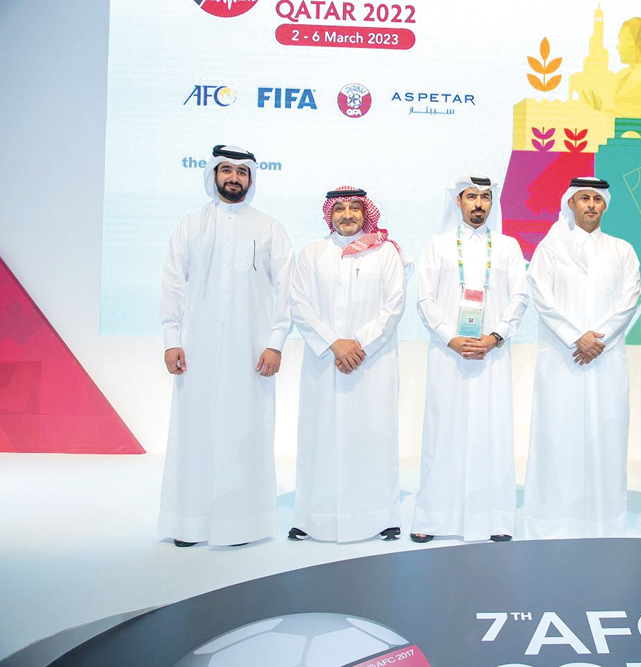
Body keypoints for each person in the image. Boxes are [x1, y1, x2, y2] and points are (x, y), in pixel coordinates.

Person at [159, 145, 293, 547]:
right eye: (227, 170)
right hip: (196, 348)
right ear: (213, 175)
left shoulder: (269, 228)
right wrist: (171, 337)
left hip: (250, 351)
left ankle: (241, 524)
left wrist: (275, 342)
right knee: (194, 431)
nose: (234, 178)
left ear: (252, 179)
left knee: (245, 431)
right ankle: (189, 523)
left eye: (242, 172)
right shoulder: (190, 225)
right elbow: (171, 282)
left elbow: (286, 289)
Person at [288, 187, 410, 543]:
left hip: (371, 365)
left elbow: (395, 304)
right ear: (330, 214)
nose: (347, 215)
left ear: (365, 212)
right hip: (324, 363)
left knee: (373, 438)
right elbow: (299, 304)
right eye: (339, 208)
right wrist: (334, 343)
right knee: (319, 438)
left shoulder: (386, 253)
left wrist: (359, 345)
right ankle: (312, 517)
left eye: (354, 208)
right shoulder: (312, 253)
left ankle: (381, 517)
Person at [410, 175, 529, 543]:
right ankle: (433, 518)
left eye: (486, 198)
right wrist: (450, 337)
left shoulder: (507, 247)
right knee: (443, 433)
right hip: (448, 355)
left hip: (491, 356)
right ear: (458, 201)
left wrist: (495, 337)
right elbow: (425, 299)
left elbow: (519, 297)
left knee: (491, 433)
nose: (479, 204)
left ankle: (496, 520)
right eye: (472, 197)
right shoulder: (438, 245)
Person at [522, 177, 641, 539]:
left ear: (605, 206)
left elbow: (629, 298)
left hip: (605, 358)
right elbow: (542, 296)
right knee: (557, 435)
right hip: (562, 357)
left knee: (605, 435)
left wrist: (596, 339)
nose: (590, 204)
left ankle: (605, 520)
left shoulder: (622, 250)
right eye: (583, 198)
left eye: (596, 199)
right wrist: (577, 337)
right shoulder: (550, 247)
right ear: (570, 204)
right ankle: (553, 519)